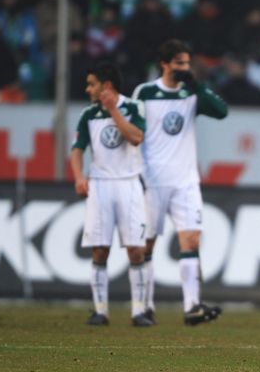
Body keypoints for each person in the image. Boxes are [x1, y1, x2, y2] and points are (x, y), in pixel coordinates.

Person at [132, 39, 228, 326]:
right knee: (146, 245)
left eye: (187, 63)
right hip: (153, 180)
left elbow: (221, 111)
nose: (185, 68)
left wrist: (197, 85)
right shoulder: (145, 92)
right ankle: (145, 306)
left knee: (191, 239)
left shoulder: (191, 93)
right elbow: (134, 133)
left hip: (186, 181)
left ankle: (192, 306)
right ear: (164, 64)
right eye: (179, 63)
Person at [70, 63, 152, 327]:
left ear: (106, 86)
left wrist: (113, 111)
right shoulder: (88, 115)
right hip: (101, 184)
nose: (87, 89)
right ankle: (100, 311)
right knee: (99, 249)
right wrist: (79, 177)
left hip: (129, 183)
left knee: (136, 251)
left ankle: (139, 311)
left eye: (91, 83)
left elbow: (135, 137)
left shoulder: (133, 107)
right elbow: (77, 149)